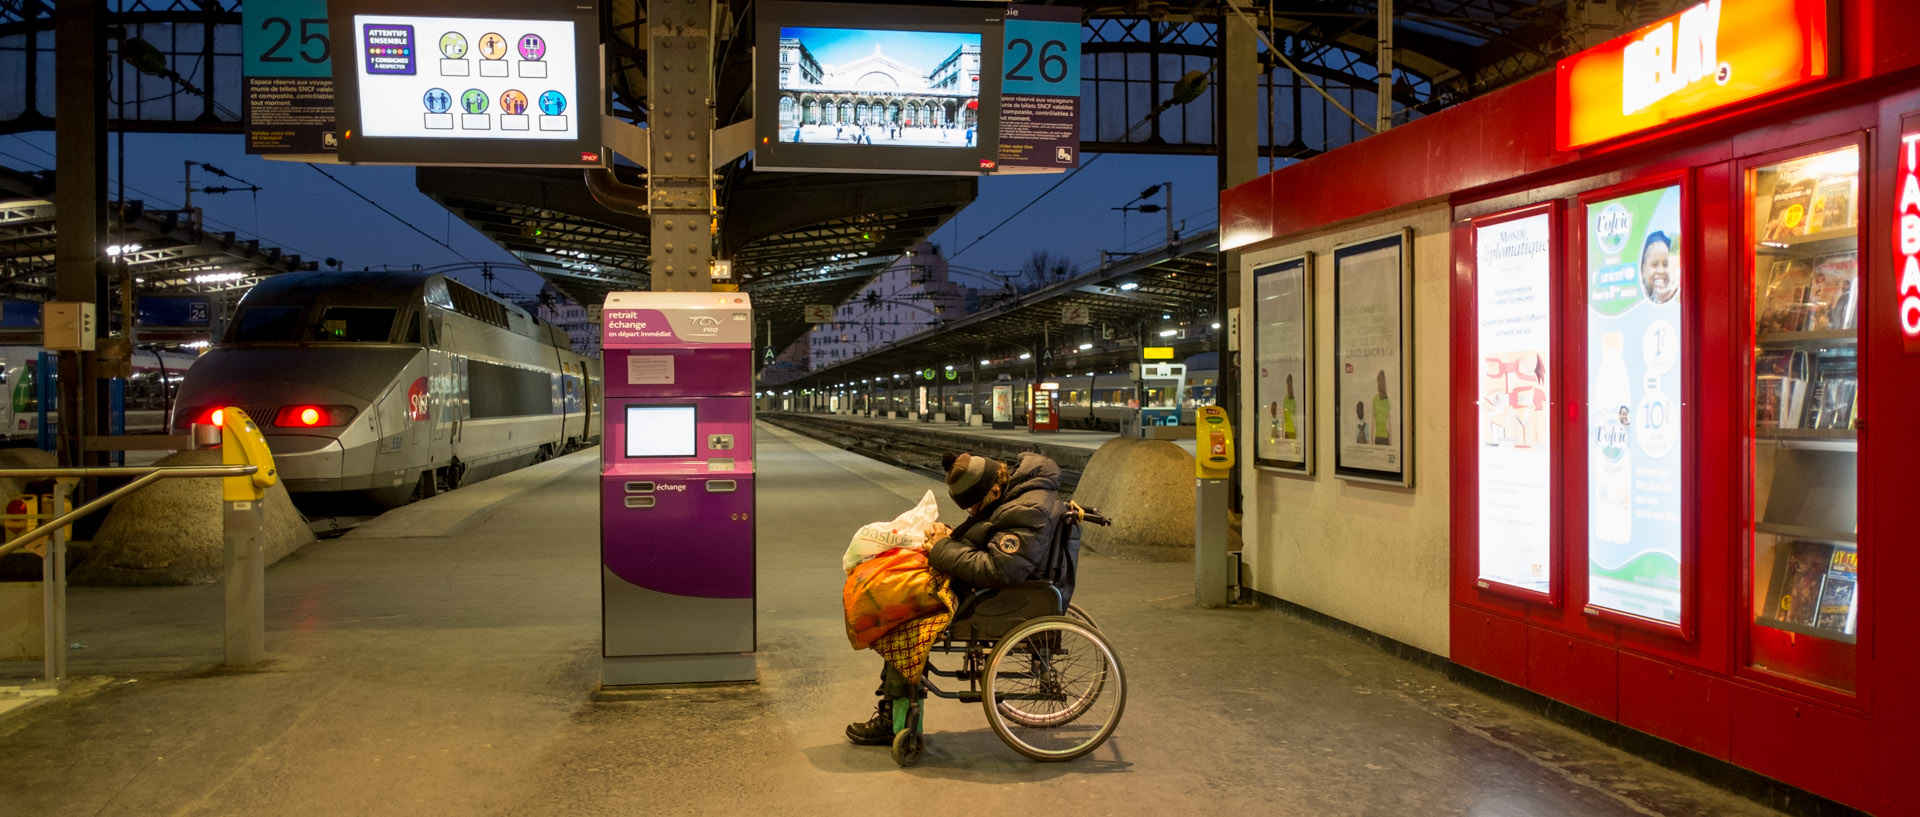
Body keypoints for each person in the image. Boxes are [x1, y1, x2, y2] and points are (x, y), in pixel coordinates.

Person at [845, 450, 1066, 746]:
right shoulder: (1016, 497)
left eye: (974, 506)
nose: (973, 512)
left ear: (994, 490)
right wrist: (947, 536)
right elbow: (986, 537)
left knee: (901, 619)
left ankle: (896, 721)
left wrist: (941, 548)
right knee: (895, 594)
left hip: (994, 598)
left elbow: (999, 569)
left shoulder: (1027, 510)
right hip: (987, 589)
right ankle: (893, 709)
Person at [1640, 230, 1679, 304]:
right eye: (1654, 265)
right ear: (1643, 270)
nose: (1661, 271)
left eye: (1665, 264)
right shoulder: (1640, 298)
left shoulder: (1672, 291)